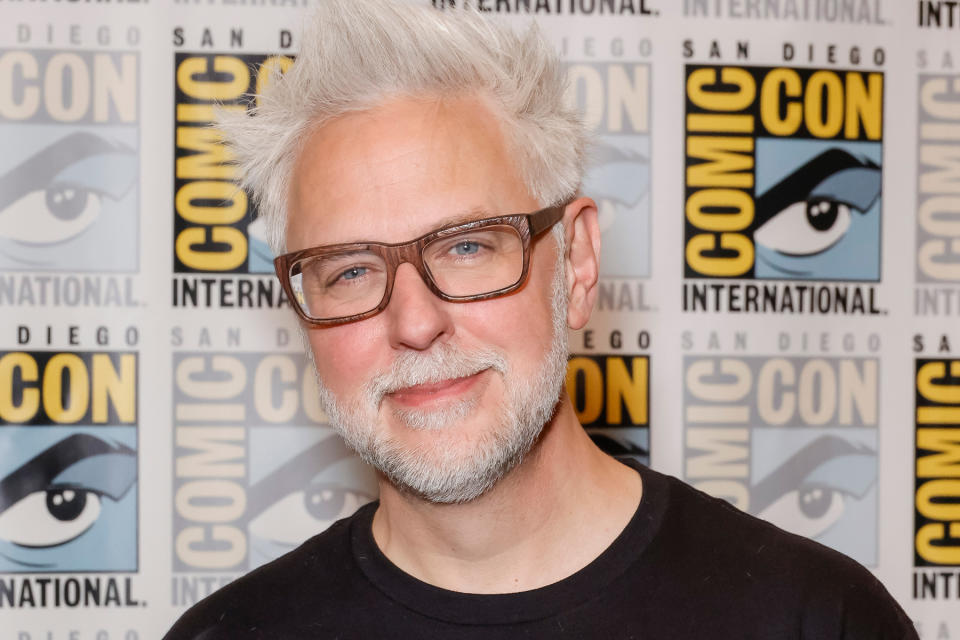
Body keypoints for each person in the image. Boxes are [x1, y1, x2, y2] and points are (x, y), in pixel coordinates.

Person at [165, 1, 917, 637]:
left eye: (466, 247)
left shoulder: (816, 619)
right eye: (351, 271)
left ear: (577, 264)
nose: (416, 322)